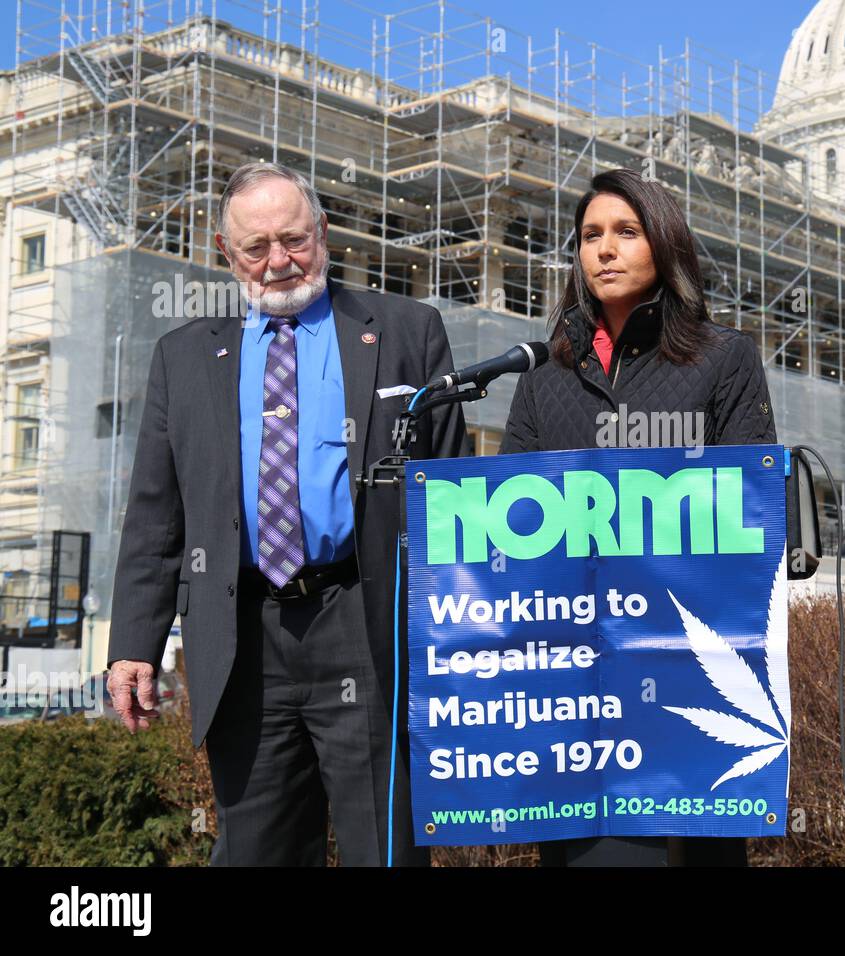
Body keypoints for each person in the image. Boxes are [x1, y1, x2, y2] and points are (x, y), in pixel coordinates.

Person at [107, 161, 468, 866]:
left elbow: (450, 492)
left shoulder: (406, 330)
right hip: (242, 638)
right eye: (256, 247)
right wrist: (132, 644)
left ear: (324, 232)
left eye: (296, 238)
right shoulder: (182, 359)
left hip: (366, 625)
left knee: (385, 852)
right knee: (256, 853)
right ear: (225, 253)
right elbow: (156, 516)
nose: (279, 260)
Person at [500, 167, 776, 866]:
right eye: (591, 235)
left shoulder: (725, 361)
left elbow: (752, 519)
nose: (605, 250)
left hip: (688, 675)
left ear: (664, 244)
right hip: (571, 682)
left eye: (626, 232)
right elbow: (508, 525)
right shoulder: (541, 379)